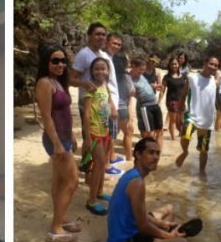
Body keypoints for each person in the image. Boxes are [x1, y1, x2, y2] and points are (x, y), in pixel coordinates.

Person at [106, 138, 191, 242]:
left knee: (169, 209)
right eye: (151, 152)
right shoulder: (137, 183)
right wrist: (168, 236)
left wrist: (161, 224)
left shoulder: (131, 174)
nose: (156, 157)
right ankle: (163, 238)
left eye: (157, 153)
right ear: (138, 154)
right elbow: (143, 225)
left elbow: (140, 214)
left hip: (128, 229)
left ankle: (162, 236)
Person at [35, 44, 81, 242]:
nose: (60, 64)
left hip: (64, 138)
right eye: (55, 60)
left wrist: (71, 136)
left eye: (63, 60)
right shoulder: (45, 83)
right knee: (72, 181)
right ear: (46, 62)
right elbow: (47, 116)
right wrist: (57, 144)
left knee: (59, 182)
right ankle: (55, 229)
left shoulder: (59, 82)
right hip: (55, 140)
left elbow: (63, 114)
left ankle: (60, 219)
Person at [70, 21, 117, 164]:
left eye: (103, 35)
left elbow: (106, 82)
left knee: (101, 137)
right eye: (97, 34)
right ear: (89, 36)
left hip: (102, 104)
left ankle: (95, 166)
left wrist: (113, 105)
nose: (101, 37)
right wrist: (83, 83)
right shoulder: (84, 54)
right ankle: (86, 167)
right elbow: (70, 79)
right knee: (88, 138)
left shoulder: (103, 54)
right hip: (88, 103)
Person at [176, 55, 219, 174]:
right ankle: (185, 152)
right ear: (205, 63)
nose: (213, 67)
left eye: (216, 65)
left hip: (207, 120)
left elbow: (217, 101)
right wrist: (178, 115)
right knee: (185, 135)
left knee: (204, 150)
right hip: (192, 116)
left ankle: (201, 172)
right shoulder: (192, 78)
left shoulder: (215, 82)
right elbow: (183, 95)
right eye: (211, 64)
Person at [82, 58, 113, 216]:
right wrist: (87, 137)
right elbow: (86, 114)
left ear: (108, 71)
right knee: (99, 165)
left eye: (103, 69)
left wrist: (113, 109)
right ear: (92, 71)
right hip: (94, 132)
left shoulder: (105, 85)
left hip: (105, 131)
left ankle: (100, 192)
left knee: (103, 164)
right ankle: (91, 201)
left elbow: (108, 101)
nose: (100, 72)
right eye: (97, 69)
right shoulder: (90, 88)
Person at [107, 33, 131, 168]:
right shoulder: (125, 76)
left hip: (113, 105)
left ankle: (112, 156)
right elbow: (132, 91)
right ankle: (125, 157)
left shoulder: (109, 70)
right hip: (119, 107)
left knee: (110, 134)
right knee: (123, 133)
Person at [130, 56, 164, 146]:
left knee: (160, 131)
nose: (142, 72)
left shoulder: (141, 76)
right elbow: (128, 95)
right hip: (145, 107)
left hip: (155, 104)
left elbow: (145, 85)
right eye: (140, 69)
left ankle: (158, 154)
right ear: (133, 66)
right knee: (150, 134)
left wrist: (155, 86)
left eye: (143, 70)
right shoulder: (128, 79)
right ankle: (149, 152)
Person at [163, 56, 186, 139]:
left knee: (181, 120)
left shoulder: (183, 76)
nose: (174, 66)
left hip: (182, 101)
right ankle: (173, 138)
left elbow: (186, 88)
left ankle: (181, 136)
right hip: (171, 101)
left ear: (178, 65)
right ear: (169, 65)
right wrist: (159, 100)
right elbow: (162, 90)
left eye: (175, 64)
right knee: (172, 121)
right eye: (172, 64)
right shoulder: (167, 77)